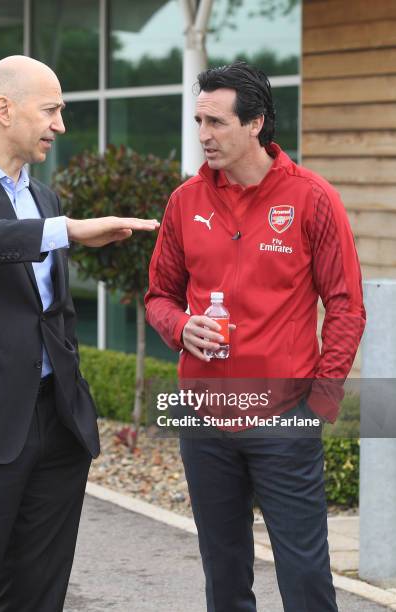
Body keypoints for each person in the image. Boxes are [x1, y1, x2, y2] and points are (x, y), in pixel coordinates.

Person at [0, 55, 159, 612]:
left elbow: (54, 312)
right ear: (4, 109)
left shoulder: (43, 196)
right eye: (51, 110)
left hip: (55, 425)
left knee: (38, 596)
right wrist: (65, 231)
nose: (59, 125)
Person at [145, 61, 365, 611]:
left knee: (305, 576)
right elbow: (158, 297)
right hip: (201, 415)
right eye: (199, 120)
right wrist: (179, 326)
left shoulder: (313, 199)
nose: (203, 135)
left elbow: (345, 305)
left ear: (255, 124)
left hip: (283, 417)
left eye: (216, 122)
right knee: (223, 575)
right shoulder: (184, 202)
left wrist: (320, 402)